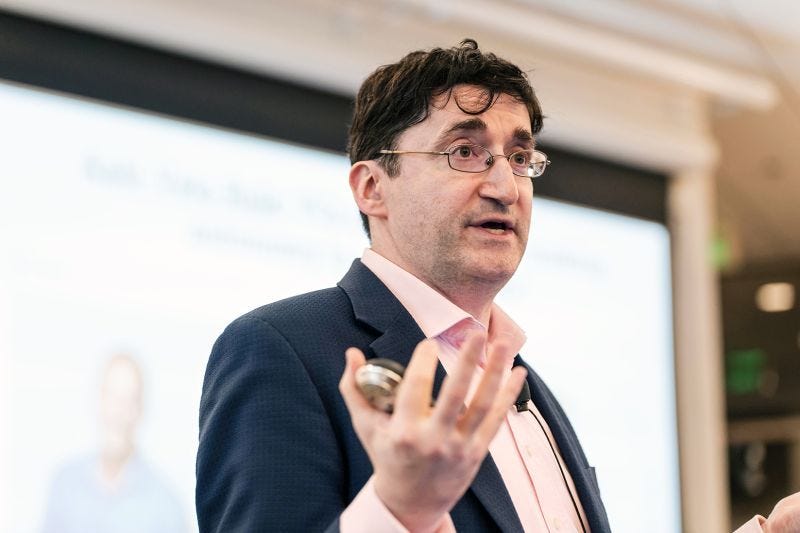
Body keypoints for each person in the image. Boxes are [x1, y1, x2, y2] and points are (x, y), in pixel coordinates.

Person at [196, 40, 799, 532]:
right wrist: (398, 512)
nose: (506, 188)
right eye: (465, 151)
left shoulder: (524, 384)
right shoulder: (281, 350)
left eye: (519, 158)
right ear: (372, 188)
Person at [42, 355, 186, 533]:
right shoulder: (64, 487)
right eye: (113, 397)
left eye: (129, 399)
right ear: (99, 401)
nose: (119, 411)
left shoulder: (166, 508)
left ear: (140, 409)